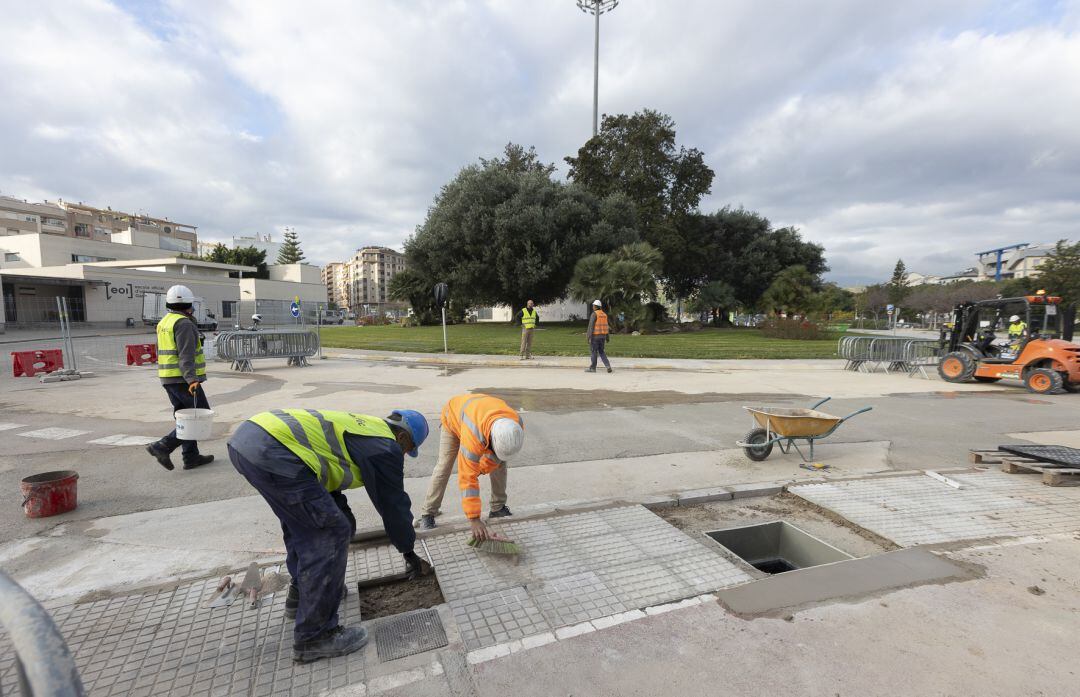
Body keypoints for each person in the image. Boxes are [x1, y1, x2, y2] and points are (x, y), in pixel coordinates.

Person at [227, 407, 430, 663]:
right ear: (402, 438)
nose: (403, 454)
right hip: (273, 450)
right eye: (407, 448)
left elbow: (325, 471)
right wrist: (408, 550)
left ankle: (302, 595)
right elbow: (393, 504)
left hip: (251, 440)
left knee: (314, 522)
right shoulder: (385, 447)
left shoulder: (367, 427)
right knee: (331, 532)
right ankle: (315, 636)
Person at [417, 394, 524, 539]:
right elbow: (467, 477)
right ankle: (428, 512)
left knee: (500, 463)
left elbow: (496, 457)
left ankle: (497, 508)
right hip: (453, 418)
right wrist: (474, 519)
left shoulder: (515, 425)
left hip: (478, 412)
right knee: (444, 466)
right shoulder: (474, 437)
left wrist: (482, 468)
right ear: (490, 438)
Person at [146, 285, 214, 471]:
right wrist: (192, 379)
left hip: (169, 378)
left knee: (185, 417)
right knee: (198, 416)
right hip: (183, 380)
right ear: (190, 304)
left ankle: (191, 457)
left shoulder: (165, 322)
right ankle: (162, 446)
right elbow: (185, 356)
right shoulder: (183, 323)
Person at [585, 299, 612, 373]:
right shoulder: (604, 315)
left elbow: (591, 326)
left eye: (593, 305)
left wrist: (588, 337)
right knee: (602, 352)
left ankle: (593, 368)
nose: (592, 307)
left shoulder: (594, 314)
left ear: (596, 307)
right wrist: (607, 337)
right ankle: (608, 366)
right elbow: (606, 327)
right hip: (602, 337)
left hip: (595, 337)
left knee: (594, 352)